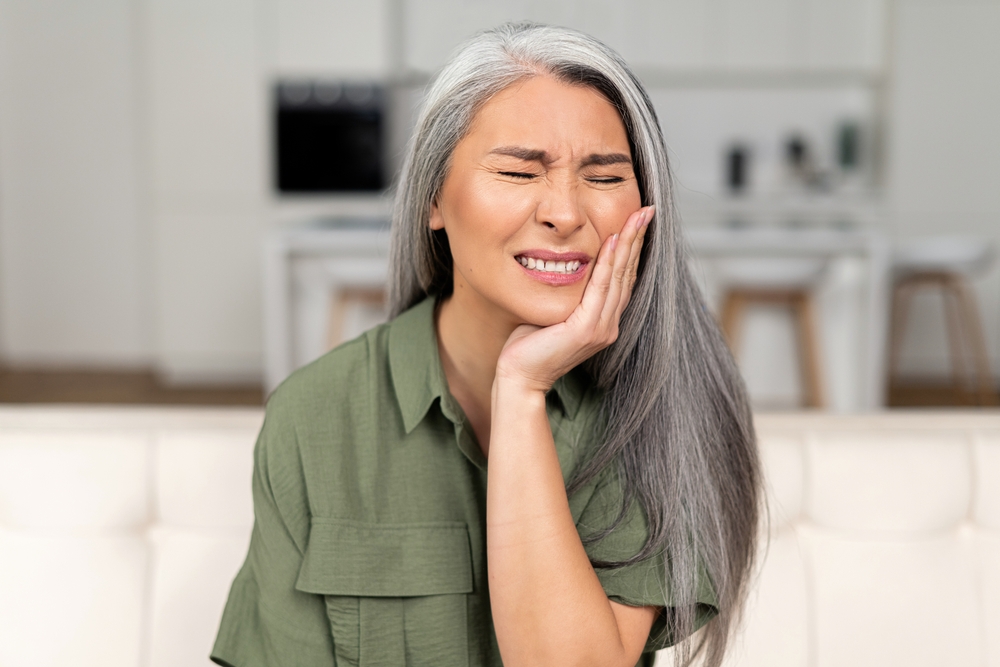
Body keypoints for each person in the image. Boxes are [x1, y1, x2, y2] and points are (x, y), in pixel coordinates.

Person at [211, 22, 760, 667]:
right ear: (433, 198)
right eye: (519, 171)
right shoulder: (315, 414)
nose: (565, 212)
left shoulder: (660, 407)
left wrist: (522, 389)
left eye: (606, 178)